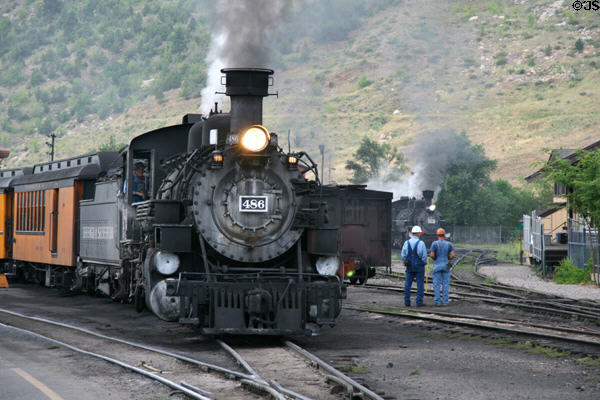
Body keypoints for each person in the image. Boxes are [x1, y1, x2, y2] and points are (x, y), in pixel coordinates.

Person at [401, 225, 428, 307]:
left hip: (409, 266)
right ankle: (419, 302)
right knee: (420, 285)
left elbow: (403, 255)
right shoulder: (421, 243)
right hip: (419, 267)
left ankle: (407, 302)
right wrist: (423, 263)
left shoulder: (406, 242)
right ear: (419, 233)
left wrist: (405, 262)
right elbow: (424, 256)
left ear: (412, 233)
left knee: (407, 285)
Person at [429, 228, 455, 306]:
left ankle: (437, 301)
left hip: (437, 266)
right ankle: (445, 301)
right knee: (445, 284)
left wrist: (435, 259)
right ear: (444, 235)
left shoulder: (434, 244)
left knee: (436, 284)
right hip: (446, 266)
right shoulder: (449, 244)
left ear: (437, 235)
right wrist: (449, 259)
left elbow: (432, 255)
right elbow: (453, 255)